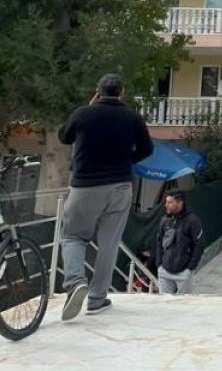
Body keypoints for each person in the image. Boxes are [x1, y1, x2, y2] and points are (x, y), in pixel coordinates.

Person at [57, 73, 154, 320]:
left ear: (97, 92)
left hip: (85, 187)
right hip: (120, 186)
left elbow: (64, 136)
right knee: (109, 243)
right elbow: (147, 149)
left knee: (73, 236)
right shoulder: (132, 117)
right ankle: (97, 299)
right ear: (122, 92)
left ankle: (75, 282)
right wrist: (127, 161)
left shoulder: (83, 114)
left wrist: (88, 107)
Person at [155, 190, 204, 295]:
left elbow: (199, 245)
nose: (166, 205)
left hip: (184, 273)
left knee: (183, 303)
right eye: (166, 202)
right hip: (164, 271)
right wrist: (159, 265)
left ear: (180, 203)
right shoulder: (164, 220)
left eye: (170, 202)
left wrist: (189, 268)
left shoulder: (192, 220)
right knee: (164, 303)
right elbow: (159, 242)